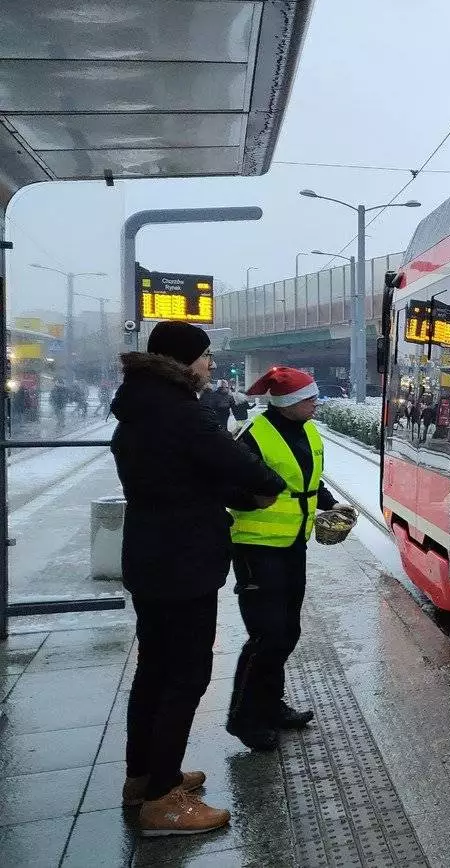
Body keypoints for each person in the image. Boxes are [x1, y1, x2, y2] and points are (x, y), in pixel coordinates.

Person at [110, 321, 286, 836]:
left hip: (149, 553)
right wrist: (264, 486)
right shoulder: (182, 414)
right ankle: (164, 800)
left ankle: (143, 778)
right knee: (185, 675)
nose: (211, 364)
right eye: (206, 356)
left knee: (154, 671)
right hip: (184, 559)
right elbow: (248, 470)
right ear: (182, 360)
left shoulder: (139, 407)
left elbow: (182, 472)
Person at [225, 367, 355, 751]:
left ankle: (270, 705)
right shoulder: (253, 436)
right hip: (255, 547)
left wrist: (330, 505)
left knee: (288, 632)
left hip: (292, 545)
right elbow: (228, 486)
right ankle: (243, 720)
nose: (316, 403)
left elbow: (308, 481)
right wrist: (253, 500)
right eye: (309, 399)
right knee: (267, 635)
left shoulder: (309, 431)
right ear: (288, 403)